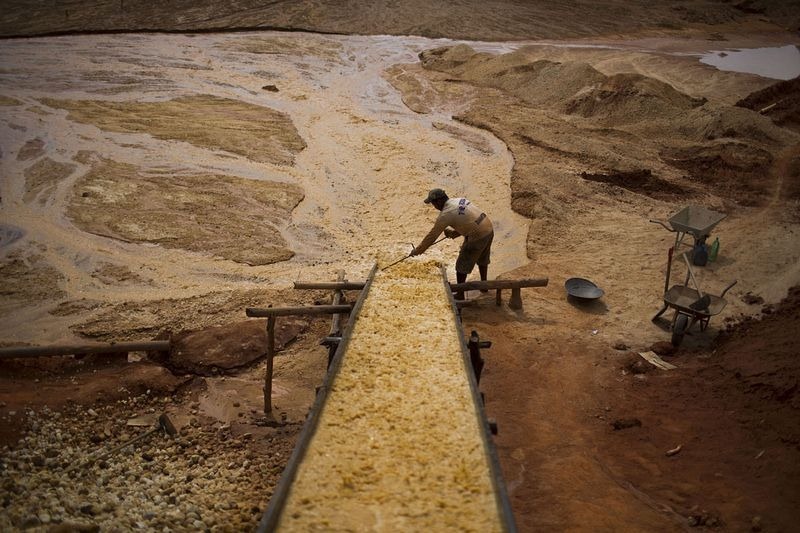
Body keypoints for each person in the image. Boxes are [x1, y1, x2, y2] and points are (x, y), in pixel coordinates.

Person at [410, 188, 494, 299]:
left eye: (434, 204)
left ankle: (460, 294)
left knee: (461, 266)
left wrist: (418, 250)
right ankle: (484, 286)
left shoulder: (446, 214)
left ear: (439, 201)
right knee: (482, 258)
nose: (434, 207)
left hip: (477, 236)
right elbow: (469, 220)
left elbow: (432, 236)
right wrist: (454, 233)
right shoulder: (459, 200)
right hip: (488, 228)